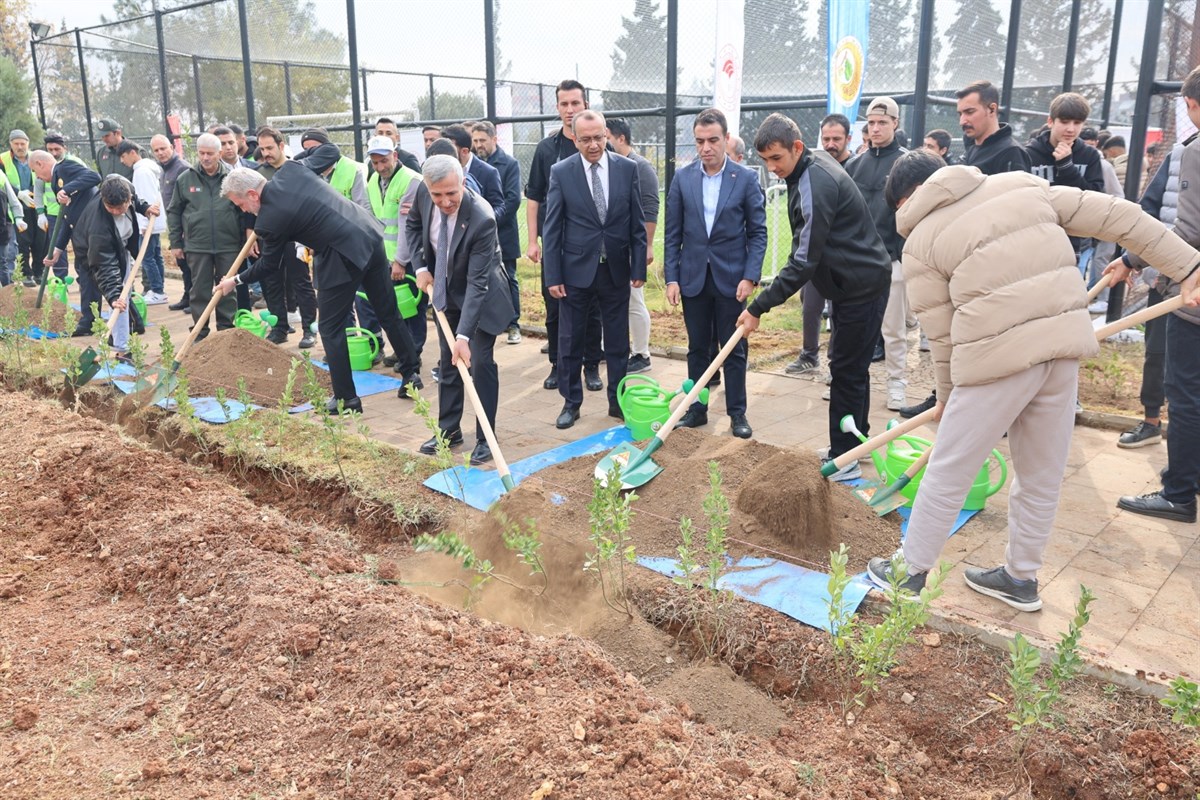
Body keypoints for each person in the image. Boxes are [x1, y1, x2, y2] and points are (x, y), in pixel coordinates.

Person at [866, 149, 1200, 610]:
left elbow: (942, 335)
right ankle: (1020, 578)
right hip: (1062, 348)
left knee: (950, 465)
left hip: (991, 360)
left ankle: (908, 571)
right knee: (1041, 473)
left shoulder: (921, 241)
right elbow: (1119, 215)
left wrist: (945, 399)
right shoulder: (1022, 186)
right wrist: (1189, 266)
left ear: (907, 200)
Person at [736, 113, 890, 479]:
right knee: (852, 368)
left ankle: (844, 457)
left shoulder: (814, 182)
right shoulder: (807, 169)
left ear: (797, 148)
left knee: (846, 371)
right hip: (855, 281)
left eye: (777, 158)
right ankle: (856, 441)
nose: (772, 168)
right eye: (766, 160)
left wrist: (758, 306)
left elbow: (803, 260)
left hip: (861, 286)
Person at [217, 165, 422, 413]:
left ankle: (347, 399)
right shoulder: (291, 171)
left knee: (330, 327)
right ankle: (411, 373)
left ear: (252, 194)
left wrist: (235, 280)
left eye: (241, 204)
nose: (244, 210)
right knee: (387, 312)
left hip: (342, 255)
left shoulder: (269, 219)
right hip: (369, 234)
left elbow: (269, 265)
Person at [900, 79, 1033, 419]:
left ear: (993, 109)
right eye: (960, 112)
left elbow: (1018, 214)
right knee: (957, 337)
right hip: (961, 263)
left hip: (996, 267)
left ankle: (999, 412)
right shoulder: (973, 152)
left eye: (970, 111)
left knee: (994, 343)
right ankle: (945, 397)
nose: (963, 120)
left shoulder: (1011, 154)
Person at [1115, 67, 1200, 523]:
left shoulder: (1195, 151)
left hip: (1193, 298)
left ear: (1189, 105)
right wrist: (1131, 260)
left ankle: (1179, 494)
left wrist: (1149, 267)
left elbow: (1186, 232)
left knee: (1185, 393)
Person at [405, 154, 514, 464]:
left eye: (451, 193)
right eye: (438, 194)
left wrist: (464, 335)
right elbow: (412, 226)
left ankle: (486, 437)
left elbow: (478, 284)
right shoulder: (424, 193)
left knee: (478, 362)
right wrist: (421, 265)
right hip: (444, 291)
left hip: (481, 298)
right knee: (447, 361)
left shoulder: (482, 217)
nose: (445, 201)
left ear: (463, 183)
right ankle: (449, 430)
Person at [665, 107, 766, 440]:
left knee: (733, 348)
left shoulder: (746, 178)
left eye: (712, 140)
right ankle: (697, 409)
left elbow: (757, 232)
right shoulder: (683, 178)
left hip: (731, 279)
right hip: (693, 277)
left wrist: (750, 276)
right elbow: (673, 232)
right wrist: (672, 277)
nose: (706, 148)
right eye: (699, 141)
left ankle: (738, 413)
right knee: (698, 348)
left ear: (726, 139)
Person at [543, 109, 647, 429]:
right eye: (585, 139)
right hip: (575, 272)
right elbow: (552, 228)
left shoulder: (627, 169)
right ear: (574, 139)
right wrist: (554, 275)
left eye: (598, 138)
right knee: (571, 340)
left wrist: (638, 265)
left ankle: (618, 401)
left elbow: (637, 223)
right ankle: (571, 403)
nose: (593, 145)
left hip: (615, 269)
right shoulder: (562, 172)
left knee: (616, 341)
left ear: (607, 135)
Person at [525, 79, 604, 393]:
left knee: (593, 308)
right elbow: (534, 197)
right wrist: (533, 241)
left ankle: (592, 367)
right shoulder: (547, 149)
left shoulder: (597, 144)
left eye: (575, 103)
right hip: (556, 247)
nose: (570, 109)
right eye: (564, 104)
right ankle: (558, 366)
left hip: (592, 247)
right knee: (555, 308)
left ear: (585, 104)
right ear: (557, 108)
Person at [847, 97, 911, 411]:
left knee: (893, 328)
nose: (875, 128)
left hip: (892, 260)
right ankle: (847, 380)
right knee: (853, 325)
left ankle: (897, 383)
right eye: (871, 123)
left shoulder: (907, 164)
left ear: (895, 123)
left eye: (882, 122)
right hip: (858, 261)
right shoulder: (854, 165)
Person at [784, 114, 853, 377]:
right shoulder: (814, 168)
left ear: (848, 138)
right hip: (816, 255)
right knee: (810, 304)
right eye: (826, 138)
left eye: (836, 139)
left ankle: (837, 364)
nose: (831, 143)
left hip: (844, 258)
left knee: (839, 313)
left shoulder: (854, 167)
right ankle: (809, 355)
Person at [72, 175, 160, 358]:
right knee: (119, 299)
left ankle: (120, 340)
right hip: (93, 253)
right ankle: (121, 349)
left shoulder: (124, 188)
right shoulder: (99, 228)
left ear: (127, 198)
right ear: (103, 199)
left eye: (121, 207)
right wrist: (113, 294)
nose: (116, 211)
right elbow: (104, 265)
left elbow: (135, 199)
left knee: (124, 296)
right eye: (110, 207)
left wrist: (144, 208)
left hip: (121, 246)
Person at [167, 132, 244, 339]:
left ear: (219, 154)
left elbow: (243, 211)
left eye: (210, 153)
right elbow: (174, 211)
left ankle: (226, 331)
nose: (205, 158)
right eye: (201, 153)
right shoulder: (185, 179)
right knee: (199, 290)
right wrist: (176, 242)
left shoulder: (232, 178)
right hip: (197, 245)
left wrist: (244, 242)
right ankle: (200, 331)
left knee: (227, 289)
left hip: (228, 244)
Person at [605, 116, 659, 375]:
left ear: (620, 138)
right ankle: (615, 349)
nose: (601, 143)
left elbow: (650, 209)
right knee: (616, 301)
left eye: (606, 137)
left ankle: (641, 353)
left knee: (634, 300)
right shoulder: (610, 166)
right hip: (611, 248)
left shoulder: (640, 166)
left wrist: (646, 246)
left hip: (631, 247)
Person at [255, 127, 317, 348]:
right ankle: (279, 328)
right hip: (269, 237)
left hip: (296, 238)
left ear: (281, 146)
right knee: (271, 282)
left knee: (301, 281)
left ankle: (309, 329)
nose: (266, 153)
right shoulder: (259, 173)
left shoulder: (296, 170)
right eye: (262, 149)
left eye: (270, 148)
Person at [364, 134, 424, 361]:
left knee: (411, 309)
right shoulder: (372, 181)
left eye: (384, 161)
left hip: (407, 259)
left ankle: (413, 351)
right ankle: (403, 351)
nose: (380, 167)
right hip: (383, 257)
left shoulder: (411, 181)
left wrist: (400, 260)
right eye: (375, 162)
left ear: (395, 156)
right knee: (394, 308)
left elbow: (408, 225)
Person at [34, 149, 101, 334]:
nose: (38, 178)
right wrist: (57, 250)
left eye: (36, 172)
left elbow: (94, 176)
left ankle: (129, 321)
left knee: (101, 277)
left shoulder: (64, 167)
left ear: (40, 164)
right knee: (89, 277)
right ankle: (89, 322)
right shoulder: (57, 180)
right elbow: (67, 217)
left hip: (94, 231)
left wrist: (67, 189)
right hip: (82, 233)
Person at [471, 120, 523, 344]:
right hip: (476, 238)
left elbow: (512, 200)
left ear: (494, 139)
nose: (479, 145)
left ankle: (513, 325)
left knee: (508, 278)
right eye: (475, 141)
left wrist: (486, 222)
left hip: (503, 234)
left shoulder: (509, 164)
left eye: (483, 140)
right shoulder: (471, 165)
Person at [116, 141, 168, 304]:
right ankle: (158, 289)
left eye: (123, 156)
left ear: (133, 152)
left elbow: (146, 197)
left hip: (148, 221)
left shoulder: (142, 172)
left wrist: (145, 224)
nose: (122, 161)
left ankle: (157, 291)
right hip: (154, 220)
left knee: (147, 257)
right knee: (155, 255)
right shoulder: (147, 169)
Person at [150, 134, 193, 312]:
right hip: (175, 224)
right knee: (183, 263)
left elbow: (189, 202)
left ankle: (195, 299)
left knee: (191, 263)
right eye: (156, 150)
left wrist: (183, 229)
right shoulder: (163, 169)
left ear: (172, 148)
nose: (160, 153)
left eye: (163, 148)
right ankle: (188, 295)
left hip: (186, 226)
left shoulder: (182, 168)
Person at [35, 132, 80, 279]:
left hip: (75, 213)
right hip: (54, 214)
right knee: (56, 248)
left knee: (80, 245)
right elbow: (38, 189)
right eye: (50, 150)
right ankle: (60, 282)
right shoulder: (43, 165)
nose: (54, 153)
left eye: (57, 149)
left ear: (64, 148)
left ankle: (84, 278)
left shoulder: (74, 163)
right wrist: (40, 212)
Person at [2, 130, 44, 285]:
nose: (20, 147)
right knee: (23, 241)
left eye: (22, 143)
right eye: (16, 143)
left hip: (38, 204)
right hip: (17, 207)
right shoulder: (3, 160)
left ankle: (39, 272)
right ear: (11, 145)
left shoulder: (37, 157)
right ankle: (26, 274)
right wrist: (19, 194)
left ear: (28, 143)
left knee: (41, 241)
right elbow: (2, 182)